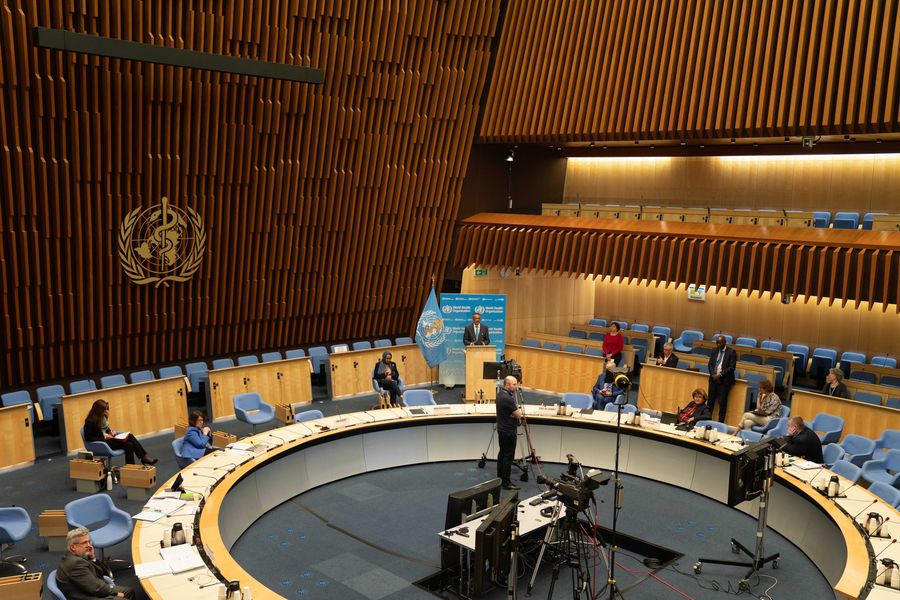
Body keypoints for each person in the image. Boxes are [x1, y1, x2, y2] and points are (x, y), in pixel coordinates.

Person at [56, 527, 135, 599]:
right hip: (87, 596)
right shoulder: (75, 564)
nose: (89, 546)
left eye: (89, 542)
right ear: (73, 547)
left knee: (129, 591)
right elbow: (97, 589)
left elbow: (100, 574)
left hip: (90, 588)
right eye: (84, 543)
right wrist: (116, 593)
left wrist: (92, 557)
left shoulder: (74, 556)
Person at [83, 400, 156, 465]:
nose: (105, 411)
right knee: (130, 436)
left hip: (109, 440)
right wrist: (104, 437)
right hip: (102, 444)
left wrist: (110, 431)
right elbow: (88, 438)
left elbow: (105, 428)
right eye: (104, 410)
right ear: (98, 411)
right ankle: (144, 458)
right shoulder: (89, 421)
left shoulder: (102, 417)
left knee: (129, 445)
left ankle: (130, 468)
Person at [496, 375, 523, 490]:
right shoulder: (508, 398)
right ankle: (506, 483)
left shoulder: (500, 394)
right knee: (508, 457)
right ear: (507, 385)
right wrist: (516, 411)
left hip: (502, 429)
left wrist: (513, 412)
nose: (516, 386)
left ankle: (500, 478)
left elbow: (511, 412)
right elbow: (518, 415)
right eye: (514, 384)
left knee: (502, 454)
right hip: (509, 432)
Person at [707, 335, 737, 421]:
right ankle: (707, 419)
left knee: (722, 403)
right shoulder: (714, 350)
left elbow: (732, 367)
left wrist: (720, 375)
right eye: (717, 343)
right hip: (713, 380)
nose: (718, 344)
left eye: (720, 343)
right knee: (710, 401)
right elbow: (710, 364)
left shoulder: (731, 352)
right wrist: (713, 375)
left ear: (724, 342)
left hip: (724, 381)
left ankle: (720, 422)